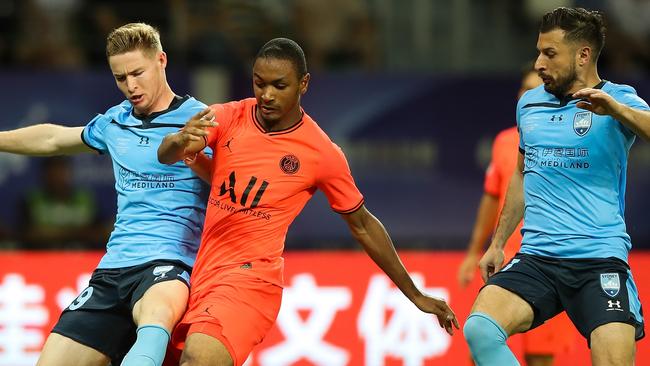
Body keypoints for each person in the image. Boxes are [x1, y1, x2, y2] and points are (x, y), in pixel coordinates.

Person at [157, 37, 460, 366]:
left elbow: (363, 226)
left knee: (199, 359)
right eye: (259, 83)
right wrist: (179, 141)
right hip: (202, 276)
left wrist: (414, 294)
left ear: (304, 84)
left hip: (250, 283)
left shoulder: (321, 153)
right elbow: (169, 154)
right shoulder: (230, 116)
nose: (267, 95)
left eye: (279, 85)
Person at [0, 23, 209, 366]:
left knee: (155, 316)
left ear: (161, 60)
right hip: (113, 271)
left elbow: (230, 184)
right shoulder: (115, 122)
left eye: (138, 73)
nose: (130, 86)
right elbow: (52, 139)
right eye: (120, 77)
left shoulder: (201, 120)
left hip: (170, 265)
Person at [463, 7, 649, 366]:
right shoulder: (529, 105)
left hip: (599, 261)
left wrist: (617, 112)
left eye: (550, 53)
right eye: (538, 52)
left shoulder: (618, 98)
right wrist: (498, 244)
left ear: (583, 55)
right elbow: (520, 173)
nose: (538, 63)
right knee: (480, 329)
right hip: (538, 258)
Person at [458, 66, 576, 366]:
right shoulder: (503, 142)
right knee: (480, 347)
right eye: (525, 88)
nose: (529, 95)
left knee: (540, 358)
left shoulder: (572, 142)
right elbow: (492, 197)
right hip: (504, 261)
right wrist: (474, 252)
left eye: (538, 88)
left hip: (548, 263)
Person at [17, 156, 109, 250]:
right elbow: (27, 234)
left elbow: (99, 233)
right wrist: (76, 233)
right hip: (44, 256)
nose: (57, 178)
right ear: (44, 175)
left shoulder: (85, 199)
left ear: (69, 173)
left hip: (82, 255)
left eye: (61, 172)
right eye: (53, 173)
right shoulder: (32, 200)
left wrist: (52, 233)